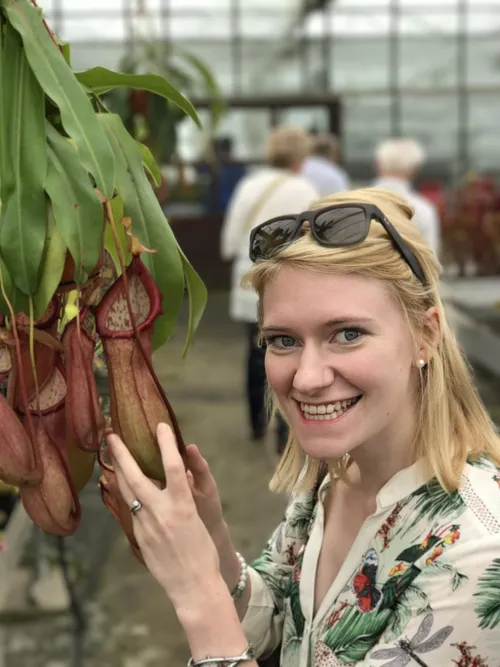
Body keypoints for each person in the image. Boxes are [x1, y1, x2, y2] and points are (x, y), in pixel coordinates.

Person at [108, 187, 500, 667]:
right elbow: (281, 623)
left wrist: (197, 594)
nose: (308, 378)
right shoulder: (332, 475)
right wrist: (212, 542)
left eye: (348, 334)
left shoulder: (477, 552)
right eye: (283, 340)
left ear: (427, 333)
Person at [220, 126, 318, 451]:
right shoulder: (305, 189)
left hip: (251, 278)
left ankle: (256, 424)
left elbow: (231, 238)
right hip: (291, 281)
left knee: (255, 351)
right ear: (301, 157)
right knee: (290, 351)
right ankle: (285, 433)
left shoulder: (249, 185)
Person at [373, 138, 441, 257]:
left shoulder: (350, 202)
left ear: (377, 164)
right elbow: (431, 262)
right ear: (415, 169)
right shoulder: (423, 210)